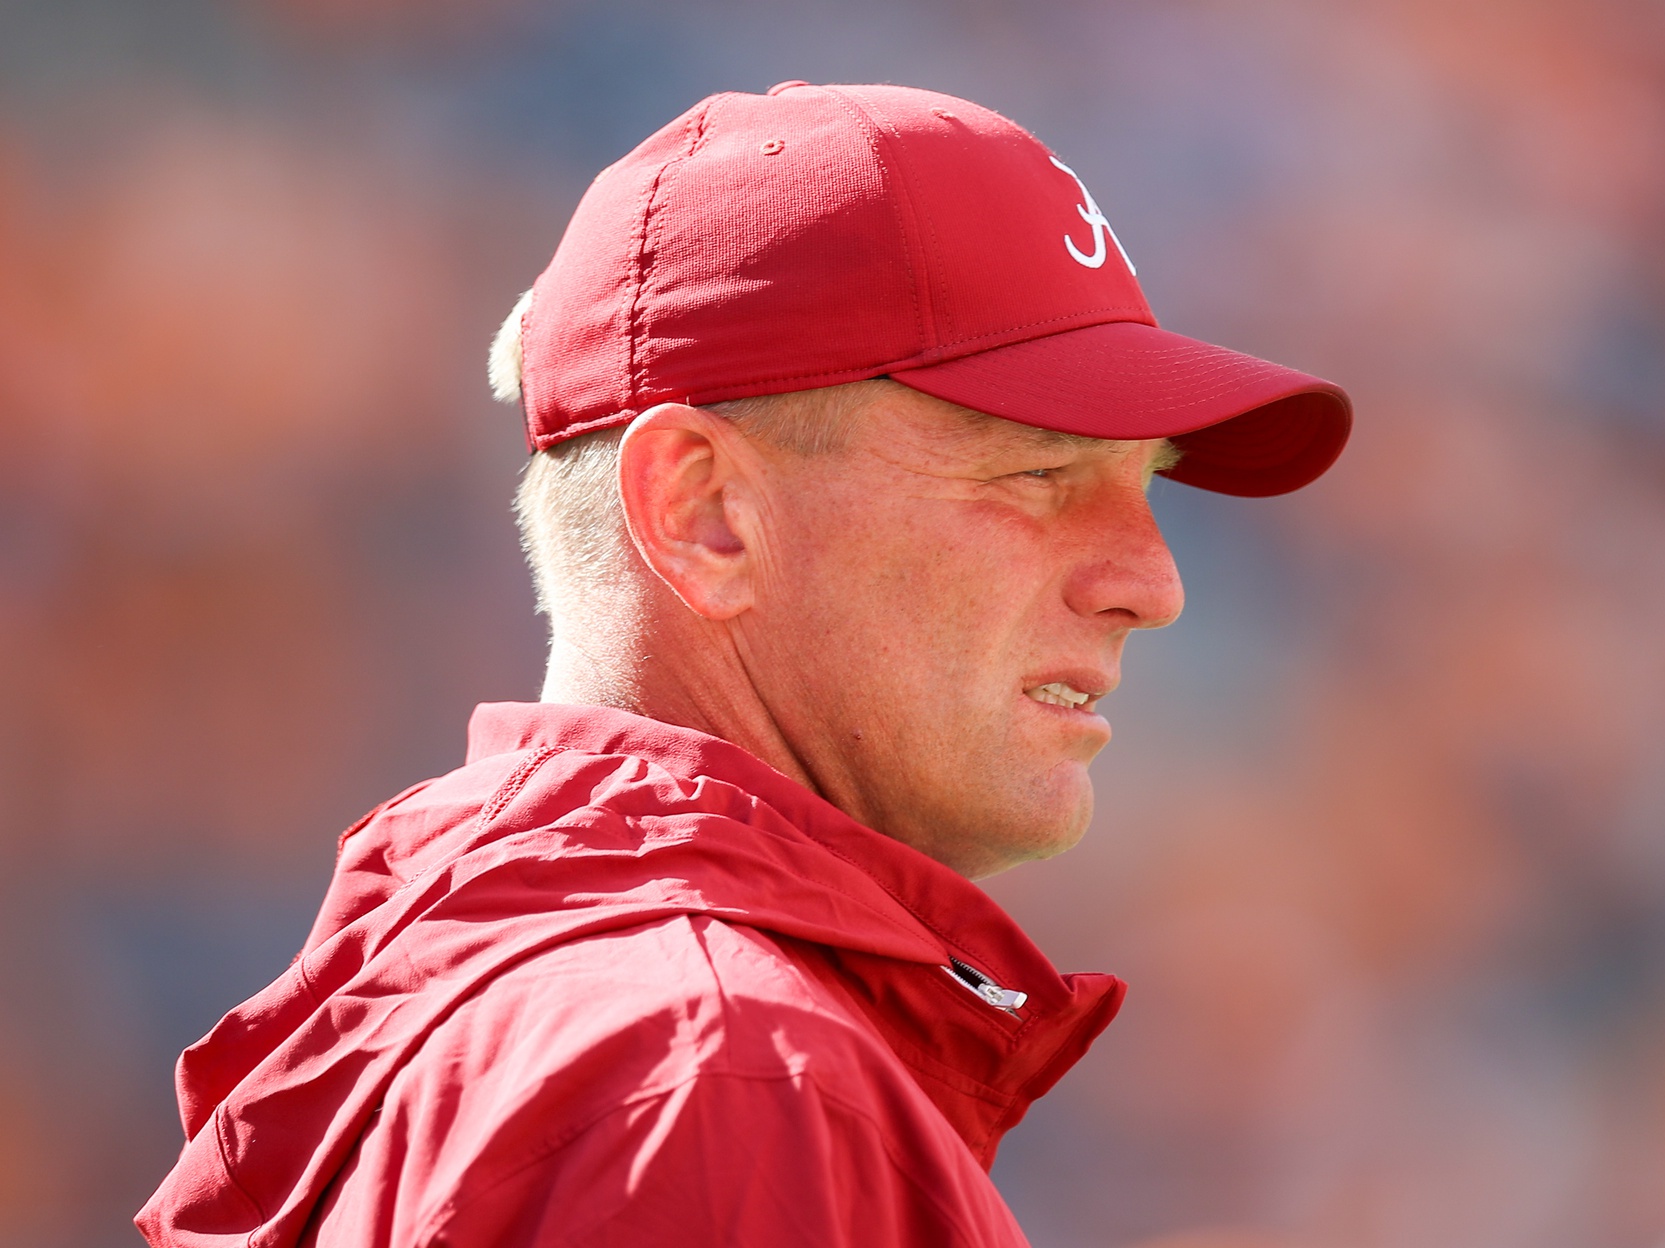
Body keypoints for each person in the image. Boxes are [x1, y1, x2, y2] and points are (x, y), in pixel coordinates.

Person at [136, 81, 1351, 1247]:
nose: (1152, 584)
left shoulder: (531, 996)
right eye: (1036, 476)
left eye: (1143, 487)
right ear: (705, 512)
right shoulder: (716, 1075)